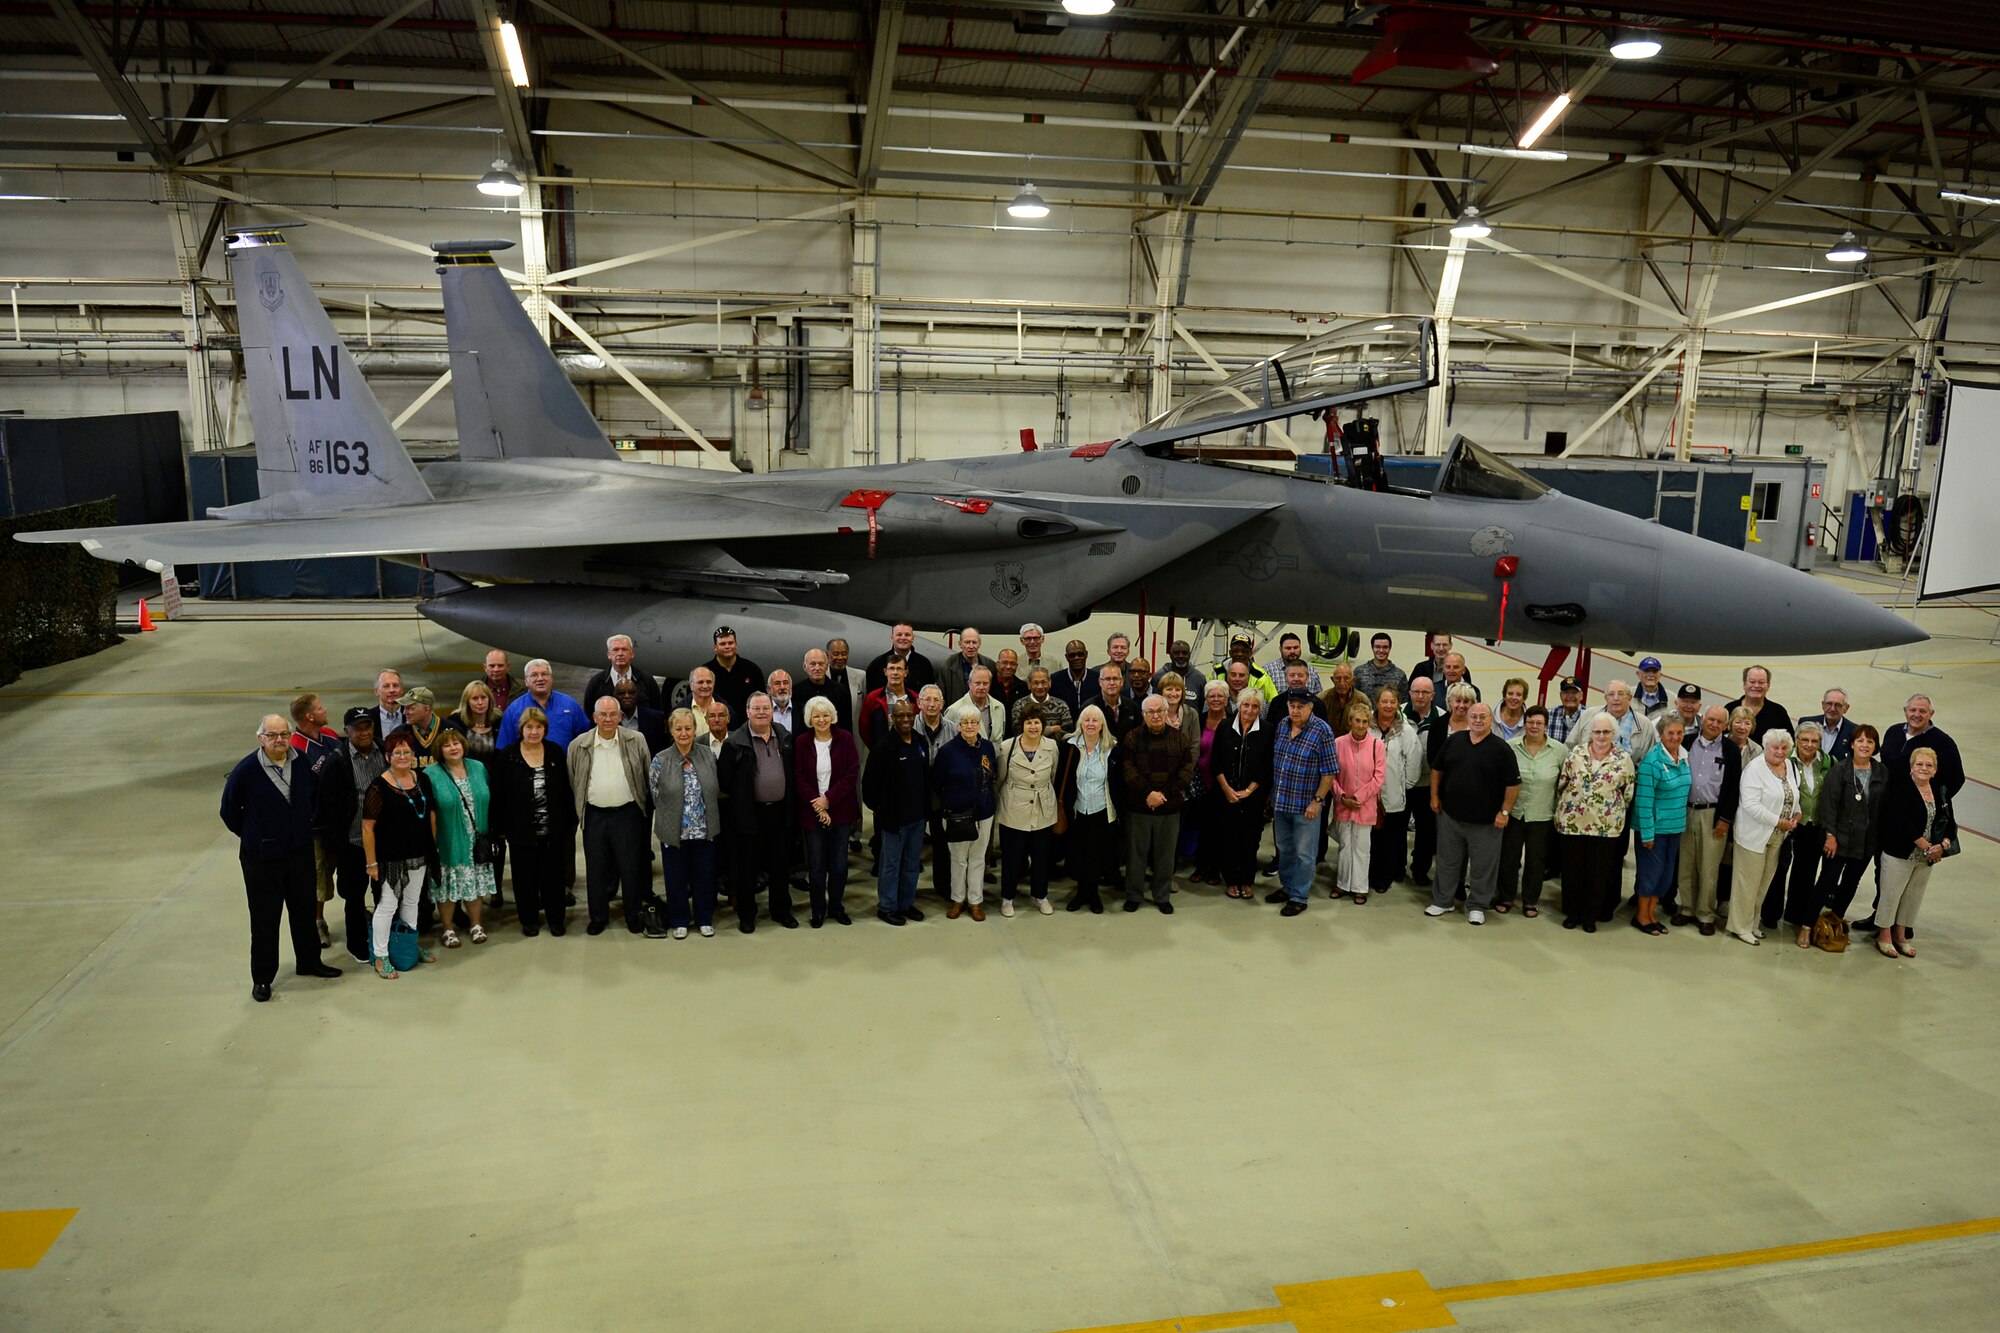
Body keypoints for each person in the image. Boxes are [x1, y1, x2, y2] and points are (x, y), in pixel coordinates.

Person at [221, 713, 341, 1000]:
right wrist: (255, 836)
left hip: (299, 852)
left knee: (303, 910)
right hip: (262, 859)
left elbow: (313, 798)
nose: (279, 741)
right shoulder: (246, 771)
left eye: (284, 735)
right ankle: (262, 978)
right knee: (265, 920)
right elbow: (229, 812)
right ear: (261, 738)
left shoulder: (300, 762)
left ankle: (309, 961)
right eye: (272, 736)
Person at [568, 696, 657, 937]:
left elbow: (648, 776)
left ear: (620, 717)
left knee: (631, 869)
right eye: (602, 715)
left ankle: (633, 915)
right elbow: (573, 778)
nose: (608, 719)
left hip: (628, 814)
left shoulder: (636, 740)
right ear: (594, 718)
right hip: (594, 816)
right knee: (596, 870)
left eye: (612, 714)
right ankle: (598, 917)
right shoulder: (579, 745)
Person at [1426, 702, 1520, 925]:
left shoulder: (1501, 749)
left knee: (1482, 866)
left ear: (1490, 720)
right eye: (1474, 716)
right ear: (1468, 719)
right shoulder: (1454, 741)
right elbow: (1437, 769)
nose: (1478, 720)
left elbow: (1513, 784)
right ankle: (1443, 900)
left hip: (1486, 823)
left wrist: (1505, 811)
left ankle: (1477, 905)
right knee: (1447, 862)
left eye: (1482, 717)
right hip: (1451, 817)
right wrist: (1435, 797)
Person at [489, 706, 576, 936]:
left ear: (545, 729)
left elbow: (565, 791)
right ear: (521, 729)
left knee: (553, 878)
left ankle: (556, 919)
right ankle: (529, 920)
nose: (534, 732)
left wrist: (569, 822)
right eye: (529, 727)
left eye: (538, 727)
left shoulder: (555, 751)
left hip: (552, 830)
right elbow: (497, 794)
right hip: (520, 831)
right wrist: (498, 827)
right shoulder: (508, 756)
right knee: (524, 878)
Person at [361, 728, 437, 979]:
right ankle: (381, 955)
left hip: (418, 854)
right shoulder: (379, 786)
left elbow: (430, 815)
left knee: (412, 901)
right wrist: (371, 862)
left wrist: (431, 847)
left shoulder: (422, 779)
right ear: (387, 756)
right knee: (387, 905)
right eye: (397, 753)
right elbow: (367, 827)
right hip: (390, 858)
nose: (403, 756)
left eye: (407, 752)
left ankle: (408, 945)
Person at [1797, 723, 1884, 936]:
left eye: (1870, 741)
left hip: (1865, 843)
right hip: (1838, 840)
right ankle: (1807, 927)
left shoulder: (1882, 772)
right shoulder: (1840, 770)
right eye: (1860, 740)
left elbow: (1882, 808)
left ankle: (1835, 926)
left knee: (1849, 885)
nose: (1865, 745)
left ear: (1875, 746)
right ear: (1852, 744)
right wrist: (1830, 835)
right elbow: (1829, 806)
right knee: (1826, 883)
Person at [1872, 747, 1955, 959]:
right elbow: (1901, 823)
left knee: (1913, 896)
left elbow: (1950, 823)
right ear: (1911, 767)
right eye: (1919, 764)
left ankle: (1901, 935)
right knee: (1891, 894)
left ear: (1935, 770)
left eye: (1929, 765)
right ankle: (1884, 936)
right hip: (1900, 853)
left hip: (1928, 857)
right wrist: (1927, 847)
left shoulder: (1940, 791)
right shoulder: (1900, 790)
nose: (1924, 768)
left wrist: (1942, 846)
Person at [724, 693, 798, 932]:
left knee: (780, 865)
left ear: (772, 711)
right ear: (747, 712)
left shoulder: (785, 738)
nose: (761, 713)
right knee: (748, 868)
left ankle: (781, 910)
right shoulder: (734, 742)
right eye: (756, 709)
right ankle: (747, 914)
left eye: (766, 708)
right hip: (749, 814)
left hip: (779, 812)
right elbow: (724, 781)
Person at [1554, 716, 1635, 933]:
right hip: (1573, 823)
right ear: (1591, 733)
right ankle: (1572, 912)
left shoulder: (1622, 758)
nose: (1601, 736)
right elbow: (1563, 783)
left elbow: (1627, 792)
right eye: (1597, 732)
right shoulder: (1576, 754)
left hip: (1605, 826)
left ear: (1613, 734)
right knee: (1572, 870)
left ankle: (1590, 916)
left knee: (1598, 873)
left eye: (1606, 732)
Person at [317, 707, 385, 963]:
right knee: (354, 897)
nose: (365, 732)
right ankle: (358, 945)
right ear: (347, 732)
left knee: (384, 895)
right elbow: (326, 806)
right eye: (358, 728)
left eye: (368, 726)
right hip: (353, 844)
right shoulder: (337, 761)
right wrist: (336, 844)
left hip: (382, 842)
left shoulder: (384, 752)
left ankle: (383, 940)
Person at [1264, 688, 1340, 916]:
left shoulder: (1322, 731)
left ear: (1311, 707)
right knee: (1284, 849)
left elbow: (1329, 772)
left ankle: (1299, 896)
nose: (1295, 710)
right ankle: (1286, 888)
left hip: (1306, 805)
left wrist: (1317, 801)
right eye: (1292, 705)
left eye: (1301, 706)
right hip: (1282, 801)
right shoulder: (1282, 725)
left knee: (1305, 853)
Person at [650, 707, 722, 940]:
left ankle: (704, 919)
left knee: (704, 876)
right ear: (671, 731)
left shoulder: (707, 754)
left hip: (704, 828)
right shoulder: (660, 760)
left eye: (688, 728)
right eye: (678, 728)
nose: (684, 733)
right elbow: (655, 795)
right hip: (674, 830)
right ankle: (679, 919)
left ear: (695, 730)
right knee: (675, 878)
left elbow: (714, 788)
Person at [1119, 694, 1195, 914]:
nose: (1155, 715)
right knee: (1136, 854)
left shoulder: (1179, 738)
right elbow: (1128, 769)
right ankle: (1133, 895)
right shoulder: (1132, 738)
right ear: (1143, 715)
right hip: (1138, 806)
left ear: (1166, 712)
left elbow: (1186, 771)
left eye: (1159, 711)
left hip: (1169, 807)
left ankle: (1161, 895)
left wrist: (1162, 794)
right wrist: (1148, 793)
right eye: (1150, 712)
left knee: (1165, 854)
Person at [1724, 731, 1801, 946]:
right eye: (1775, 747)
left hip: (1777, 838)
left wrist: (1798, 812)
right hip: (1753, 836)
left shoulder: (1790, 766)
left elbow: (1793, 794)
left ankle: (1753, 923)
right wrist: (1779, 821)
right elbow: (1750, 805)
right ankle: (1740, 927)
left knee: (1763, 884)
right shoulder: (1755, 769)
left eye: (1784, 747)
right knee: (1746, 884)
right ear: (1766, 747)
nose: (1780, 751)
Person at [422, 728, 494, 948]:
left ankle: (475, 924)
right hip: (448, 839)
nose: (453, 748)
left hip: (477, 837)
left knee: (475, 881)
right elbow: (429, 810)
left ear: (464, 745)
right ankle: (448, 928)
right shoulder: (431, 774)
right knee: (448, 885)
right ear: (439, 750)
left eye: (456, 743)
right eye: (446, 745)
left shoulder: (478, 768)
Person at [793, 696, 860, 927]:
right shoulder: (802, 742)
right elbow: (798, 776)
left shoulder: (846, 739)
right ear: (809, 719)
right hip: (812, 812)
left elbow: (851, 773)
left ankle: (836, 907)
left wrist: (828, 800)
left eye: (825, 715)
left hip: (840, 810)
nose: (821, 719)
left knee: (839, 865)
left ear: (832, 717)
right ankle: (818, 910)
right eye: (816, 715)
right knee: (817, 865)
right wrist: (818, 804)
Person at [1673, 704, 1739, 936]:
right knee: (1686, 864)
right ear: (1703, 719)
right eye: (1711, 719)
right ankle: (1687, 908)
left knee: (1709, 867)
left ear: (1726, 725)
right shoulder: (1687, 742)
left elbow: (1732, 788)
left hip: (1713, 815)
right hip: (1686, 811)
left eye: (1719, 722)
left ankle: (1705, 914)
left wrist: (1725, 818)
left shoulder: (1730, 750)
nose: (1714, 724)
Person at [864, 701, 931, 925]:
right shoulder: (884, 747)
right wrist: (882, 811)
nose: (905, 720)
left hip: (917, 818)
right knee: (890, 866)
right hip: (894, 821)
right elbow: (869, 788)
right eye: (900, 715)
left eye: (909, 715)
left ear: (915, 717)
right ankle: (887, 907)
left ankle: (905, 903)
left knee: (912, 865)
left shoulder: (921, 743)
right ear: (892, 717)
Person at [1763, 720, 1831, 932]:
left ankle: (1795, 913)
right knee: (1780, 867)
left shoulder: (1829, 762)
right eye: (1804, 740)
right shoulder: (1786, 760)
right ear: (1796, 741)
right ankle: (1771, 913)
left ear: (1820, 743)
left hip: (1813, 824)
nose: (1809, 744)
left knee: (1806, 870)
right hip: (1788, 822)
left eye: (1814, 741)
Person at [994, 703, 1061, 915]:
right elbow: (1001, 778)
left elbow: (1053, 775)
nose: (1033, 727)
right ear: (1021, 725)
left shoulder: (1051, 746)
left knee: (1041, 856)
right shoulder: (1007, 747)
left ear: (1043, 725)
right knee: (1013, 857)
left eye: (1037, 723)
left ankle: (1040, 896)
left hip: (1043, 806)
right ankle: (1007, 898)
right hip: (1014, 807)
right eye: (1029, 722)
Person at [288, 692, 341, 947]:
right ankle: (317, 921)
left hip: (340, 820)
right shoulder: (296, 748)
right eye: (320, 708)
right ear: (310, 716)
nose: (325, 710)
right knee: (319, 876)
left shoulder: (330, 736)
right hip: (317, 827)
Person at [934, 709, 998, 919]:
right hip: (957, 815)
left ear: (979, 724)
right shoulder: (947, 751)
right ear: (958, 726)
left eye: (973, 722)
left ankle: (975, 901)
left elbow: (992, 775)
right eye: (964, 722)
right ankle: (958, 899)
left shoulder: (987, 747)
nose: (969, 726)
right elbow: (937, 784)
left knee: (978, 858)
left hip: (984, 812)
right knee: (959, 859)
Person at [1210, 688, 1272, 901]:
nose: (1250, 710)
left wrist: (1248, 791)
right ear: (1238, 705)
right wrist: (1227, 790)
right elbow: (1215, 762)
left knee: (1250, 840)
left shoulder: (1267, 730)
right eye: (1246, 705)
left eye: (1255, 706)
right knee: (1228, 839)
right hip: (1225, 796)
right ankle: (1231, 881)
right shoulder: (1225, 726)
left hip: (1253, 799)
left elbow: (1266, 766)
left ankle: (1246, 881)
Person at [1632, 714, 1691, 936]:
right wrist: (1647, 833)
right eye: (1670, 733)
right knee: (1650, 874)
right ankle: (1641, 915)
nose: (1675, 737)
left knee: (1665, 875)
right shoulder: (1652, 762)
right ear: (1661, 735)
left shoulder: (1684, 757)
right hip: (1654, 830)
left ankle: (1651, 913)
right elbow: (1644, 801)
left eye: (1679, 733)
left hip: (1674, 828)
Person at [1059, 704, 1121, 913]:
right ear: (1080, 724)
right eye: (1087, 720)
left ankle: (1093, 894)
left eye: (1095, 720)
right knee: (1078, 853)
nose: (1091, 724)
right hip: (1077, 809)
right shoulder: (1069, 746)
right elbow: (1062, 780)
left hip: (1101, 810)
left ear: (1102, 724)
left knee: (1096, 854)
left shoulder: (1112, 747)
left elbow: (1117, 780)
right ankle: (1080, 892)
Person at [1369, 687, 1423, 896]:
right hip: (1370, 795)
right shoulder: (1368, 727)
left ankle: (1386, 875)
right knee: (1373, 837)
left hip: (1394, 796)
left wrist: (1404, 786)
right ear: (1377, 703)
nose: (1388, 706)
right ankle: (1371, 872)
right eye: (1384, 701)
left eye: (1392, 702)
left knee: (1391, 838)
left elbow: (1414, 761)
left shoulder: (1406, 731)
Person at [1331, 703, 1385, 903]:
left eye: (1364, 721)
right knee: (1345, 845)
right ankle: (1342, 883)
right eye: (1357, 721)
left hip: (1365, 806)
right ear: (1350, 722)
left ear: (1369, 722)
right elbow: (1332, 775)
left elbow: (1379, 778)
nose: (1361, 725)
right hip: (1343, 804)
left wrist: (1358, 798)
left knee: (1362, 847)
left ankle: (1360, 887)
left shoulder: (1376, 745)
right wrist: (1342, 796)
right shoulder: (1338, 743)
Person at [1188, 679, 1235, 885]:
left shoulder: (1234, 722)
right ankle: (1201, 865)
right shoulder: (1199, 719)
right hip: (1200, 782)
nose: (1216, 700)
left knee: (1220, 828)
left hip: (1223, 784)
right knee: (1202, 827)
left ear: (1226, 700)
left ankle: (1215, 869)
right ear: (1206, 699)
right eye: (1212, 696)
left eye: (1220, 696)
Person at [1403, 676, 1444, 886]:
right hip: (1401, 784)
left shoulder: (1442, 718)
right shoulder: (1398, 713)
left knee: (1426, 831)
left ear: (1433, 696)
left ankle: (1420, 870)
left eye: (1425, 692)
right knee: (1397, 828)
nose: (1420, 696)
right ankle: (1396, 866)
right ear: (1409, 693)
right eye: (1416, 692)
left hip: (1428, 785)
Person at [497, 659, 588, 749]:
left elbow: (586, 738)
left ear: (551, 678)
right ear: (526, 681)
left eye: (544, 674)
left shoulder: (570, 705)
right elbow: (504, 747)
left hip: (564, 763)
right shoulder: (513, 710)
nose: (540, 679)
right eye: (534, 675)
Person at [581, 633, 663, 715]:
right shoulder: (596, 683)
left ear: (632, 654)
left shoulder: (647, 681)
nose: (620, 654)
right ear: (609, 655)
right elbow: (589, 714)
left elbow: (657, 712)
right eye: (616, 650)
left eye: (624, 649)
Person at [702, 626, 767, 722]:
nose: (727, 646)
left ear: (736, 645)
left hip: (747, 729)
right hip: (716, 727)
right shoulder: (705, 672)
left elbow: (763, 701)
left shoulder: (752, 670)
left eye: (730, 643)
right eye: (722, 644)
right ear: (715, 647)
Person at [1724, 665, 1794, 742]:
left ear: (1768, 686)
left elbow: (1790, 742)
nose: (1756, 685)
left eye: (1761, 682)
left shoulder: (1778, 712)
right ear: (1744, 684)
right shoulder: (1729, 709)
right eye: (1752, 682)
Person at [858, 657, 916, 748]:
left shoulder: (915, 699)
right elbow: (864, 728)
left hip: (910, 752)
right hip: (881, 755)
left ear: (905, 673)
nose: (895, 673)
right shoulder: (873, 698)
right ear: (885, 672)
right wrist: (877, 749)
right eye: (891, 668)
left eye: (899, 669)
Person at [865, 621, 936, 694]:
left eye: (907, 635)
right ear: (892, 638)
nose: (903, 637)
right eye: (899, 634)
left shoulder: (924, 664)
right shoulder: (878, 664)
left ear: (913, 638)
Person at [796, 648, 854, 738]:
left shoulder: (840, 690)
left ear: (827, 666)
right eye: (812, 664)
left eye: (821, 664)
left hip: (835, 743)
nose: (817, 668)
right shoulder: (796, 691)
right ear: (804, 667)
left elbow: (846, 724)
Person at [943, 664, 1008, 742]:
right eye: (977, 683)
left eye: (985, 683)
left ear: (990, 684)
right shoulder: (954, 710)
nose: (981, 687)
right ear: (969, 684)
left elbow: (1001, 737)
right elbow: (946, 740)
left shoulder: (999, 707)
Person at [1212, 632, 1278, 705]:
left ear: (1250, 653)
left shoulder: (1261, 676)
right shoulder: (1217, 673)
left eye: (1244, 651)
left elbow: (1275, 703)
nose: (1240, 654)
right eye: (1236, 651)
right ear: (1230, 653)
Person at [446, 679, 502, 765]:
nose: (480, 702)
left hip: (493, 775)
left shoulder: (498, 720)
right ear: (467, 702)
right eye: (475, 698)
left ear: (489, 699)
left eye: (483, 698)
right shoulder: (455, 722)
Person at [938, 627, 995, 705]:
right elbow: (940, 696)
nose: (971, 646)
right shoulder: (948, 665)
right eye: (967, 642)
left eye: (974, 642)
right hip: (956, 715)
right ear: (960, 644)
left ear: (979, 644)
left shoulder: (989, 665)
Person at [1089, 662, 1145, 740]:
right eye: (1107, 679)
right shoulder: (1089, 708)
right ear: (1100, 682)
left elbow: (1140, 736)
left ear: (1121, 682)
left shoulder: (1133, 707)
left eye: (1115, 679)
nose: (1112, 683)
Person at [613, 677, 668, 757]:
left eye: (631, 692)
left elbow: (662, 750)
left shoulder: (656, 719)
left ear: (637, 695)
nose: (627, 696)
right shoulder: (606, 720)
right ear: (614, 696)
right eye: (622, 693)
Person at [1012, 667, 1072, 740]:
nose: (1040, 687)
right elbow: (1018, 732)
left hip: (1056, 749)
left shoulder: (1061, 705)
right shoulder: (1020, 705)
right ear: (1029, 684)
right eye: (1036, 683)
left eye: (1044, 682)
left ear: (1050, 683)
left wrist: (1044, 741)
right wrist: (1051, 730)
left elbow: (1067, 733)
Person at [1352, 632, 1408, 705]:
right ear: (1372, 648)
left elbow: (1403, 703)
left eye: (1385, 647)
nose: (1381, 651)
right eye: (1377, 647)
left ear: (1390, 649)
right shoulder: (1359, 672)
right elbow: (1352, 699)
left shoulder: (1400, 675)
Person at [1803, 688, 1856, 762]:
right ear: (1823, 705)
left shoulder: (1855, 731)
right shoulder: (1806, 724)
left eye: (1838, 705)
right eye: (1829, 704)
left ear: (1846, 708)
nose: (1832, 709)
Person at [1051, 639, 1097, 716]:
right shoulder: (1055, 680)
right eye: (1072, 655)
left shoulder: (1097, 679)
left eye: (1080, 654)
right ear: (1066, 657)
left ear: (1086, 654)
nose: (1076, 658)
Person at [399, 687, 444, 766]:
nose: (404, 712)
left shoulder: (451, 731)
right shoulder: (398, 734)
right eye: (405, 708)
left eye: (410, 708)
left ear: (426, 710)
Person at [1547, 677, 1587, 744]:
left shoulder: (1589, 716)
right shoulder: (1549, 715)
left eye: (1574, 693)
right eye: (1566, 693)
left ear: (1581, 695)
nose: (1570, 696)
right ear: (1560, 695)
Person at [990, 649, 1028, 715]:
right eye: (1005, 663)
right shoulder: (988, 686)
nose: (1008, 667)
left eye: (1012, 663)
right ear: (997, 665)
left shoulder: (1024, 687)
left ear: (1016, 666)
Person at [1491, 677, 1529, 742]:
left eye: (1518, 695)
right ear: (1504, 696)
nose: (1514, 697)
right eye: (1510, 694)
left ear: (1524, 698)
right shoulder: (1491, 719)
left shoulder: (1529, 722)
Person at [371, 668, 406, 738]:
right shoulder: (369, 718)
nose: (392, 690)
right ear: (376, 691)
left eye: (395, 685)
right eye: (386, 686)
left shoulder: (412, 716)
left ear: (402, 689)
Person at [482, 649, 515, 713]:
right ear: (485, 668)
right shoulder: (476, 690)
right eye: (492, 666)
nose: (496, 670)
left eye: (500, 666)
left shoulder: (522, 690)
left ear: (508, 667)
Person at [765, 669, 797, 734]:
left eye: (785, 683)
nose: (782, 687)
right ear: (769, 689)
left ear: (790, 687)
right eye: (777, 683)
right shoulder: (762, 711)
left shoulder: (803, 710)